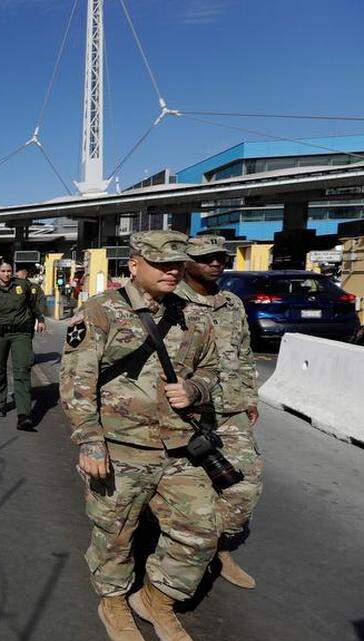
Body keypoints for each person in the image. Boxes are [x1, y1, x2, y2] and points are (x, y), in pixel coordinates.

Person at [59, 230, 220, 641]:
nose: (173, 271)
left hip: (179, 447)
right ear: (133, 264)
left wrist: (194, 390)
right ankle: (113, 600)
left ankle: (156, 599)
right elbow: (77, 381)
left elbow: (210, 370)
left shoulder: (194, 314)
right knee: (115, 534)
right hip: (120, 447)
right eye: (162, 264)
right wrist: (90, 440)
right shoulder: (101, 311)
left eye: (178, 264)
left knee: (201, 528)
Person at [179, 235, 263, 590]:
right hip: (187, 413)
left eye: (221, 258)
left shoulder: (232, 303)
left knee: (246, 484)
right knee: (186, 491)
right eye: (207, 258)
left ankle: (219, 548)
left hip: (230, 409)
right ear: (186, 262)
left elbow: (244, 353)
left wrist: (249, 397)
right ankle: (178, 556)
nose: (216, 263)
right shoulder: (170, 301)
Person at [0, 261, 46, 431]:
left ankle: (24, 416)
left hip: (20, 334)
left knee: (22, 370)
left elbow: (32, 305)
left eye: (9, 271)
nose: (7, 274)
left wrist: (40, 319)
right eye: (3, 271)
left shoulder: (22, 286)